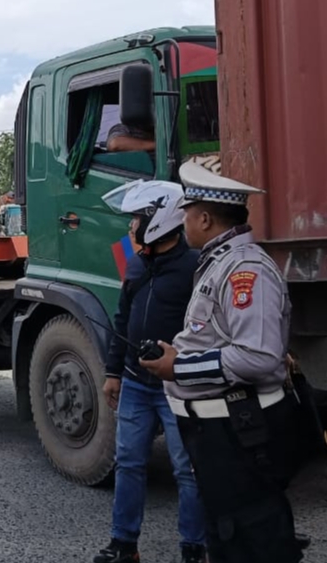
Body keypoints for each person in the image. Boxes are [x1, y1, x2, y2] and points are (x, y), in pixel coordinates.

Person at [140, 160, 304, 563]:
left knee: (251, 538)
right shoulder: (221, 261)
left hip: (239, 430)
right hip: (221, 430)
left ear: (207, 217)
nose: (183, 220)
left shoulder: (244, 269)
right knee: (228, 534)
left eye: (188, 212)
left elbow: (258, 356)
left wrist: (178, 368)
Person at [95, 180, 205, 563]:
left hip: (178, 387)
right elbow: (122, 317)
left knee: (188, 470)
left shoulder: (196, 266)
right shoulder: (134, 260)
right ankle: (124, 545)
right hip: (135, 383)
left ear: (159, 220)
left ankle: (194, 548)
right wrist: (113, 372)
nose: (130, 227)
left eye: (137, 219)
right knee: (128, 463)